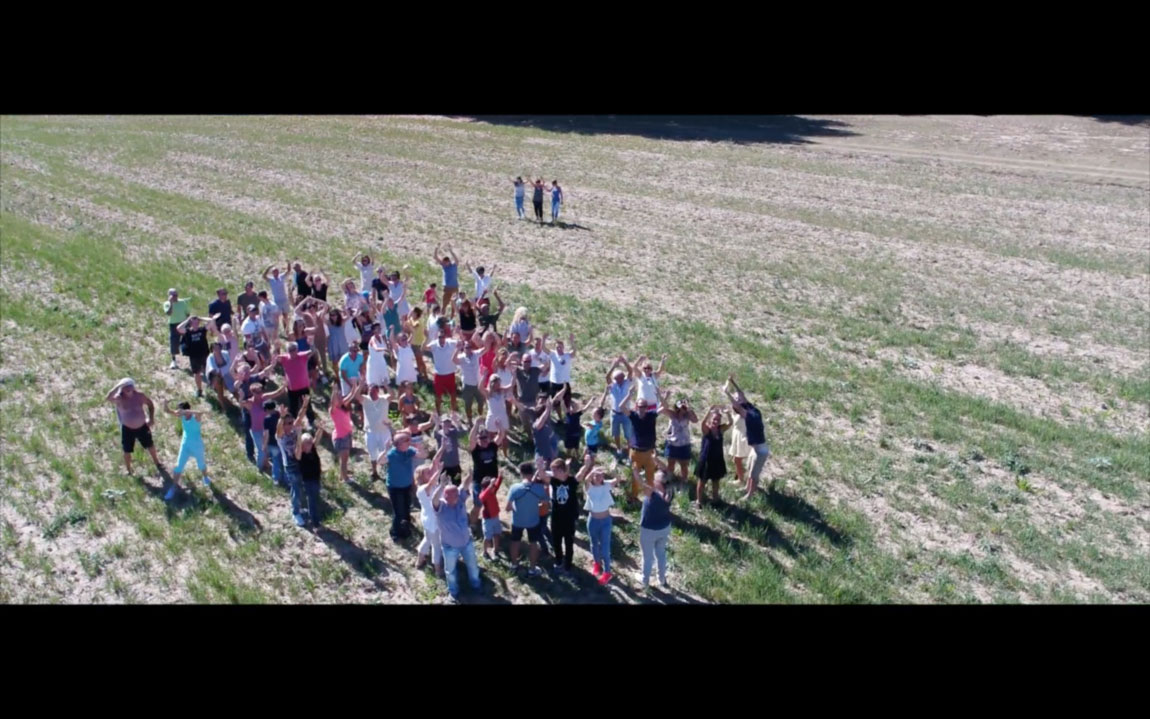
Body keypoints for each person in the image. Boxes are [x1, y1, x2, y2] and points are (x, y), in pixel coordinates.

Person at [433, 472, 481, 602]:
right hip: (449, 547)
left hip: (466, 543)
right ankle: (453, 593)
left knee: (473, 566)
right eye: (451, 494)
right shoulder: (441, 506)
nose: (455, 496)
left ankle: (476, 586)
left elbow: (464, 485)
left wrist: (471, 474)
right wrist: (441, 485)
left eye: (456, 493)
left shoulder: (460, 498)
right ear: (445, 495)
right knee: (451, 572)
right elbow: (434, 500)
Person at [724, 375, 770, 501]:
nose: (740, 398)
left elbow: (739, 401)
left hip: (760, 452)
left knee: (753, 475)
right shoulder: (752, 412)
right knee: (750, 472)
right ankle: (747, 489)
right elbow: (740, 401)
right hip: (756, 450)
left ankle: (749, 495)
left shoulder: (749, 413)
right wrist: (731, 386)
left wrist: (729, 390)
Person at [106, 378, 162, 477]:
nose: (128, 389)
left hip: (142, 426)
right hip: (127, 429)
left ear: (133, 386)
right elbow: (108, 398)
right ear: (122, 389)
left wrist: (151, 418)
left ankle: (157, 463)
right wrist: (118, 386)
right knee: (127, 451)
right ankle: (129, 470)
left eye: (129, 386)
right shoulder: (119, 399)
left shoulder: (140, 396)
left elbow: (150, 404)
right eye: (125, 387)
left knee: (150, 445)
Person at [579, 459, 620, 585]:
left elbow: (617, 479)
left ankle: (607, 572)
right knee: (594, 544)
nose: (598, 477)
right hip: (593, 521)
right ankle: (597, 564)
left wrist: (613, 471)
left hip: (606, 521)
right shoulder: (589, 487)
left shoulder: (606, 485)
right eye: (596, 475)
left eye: (601, 475)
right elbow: (585, 480)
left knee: (605, 547)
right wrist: (592, 471)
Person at [505, 461, 550, 577]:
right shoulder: (539, 488)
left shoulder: (514, 488)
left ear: (521, 473)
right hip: (533, 521)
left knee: (515, 542)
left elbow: (508, 508)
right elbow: (545, 502)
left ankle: (514, 565)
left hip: (517, 521)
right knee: (533, 544)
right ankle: (532, 569)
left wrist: (516, 507)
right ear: (532, 473)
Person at [636, 458, 674, 590]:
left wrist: (635, 469)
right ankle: (662, 579)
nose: (652, 479)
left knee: (647, 556)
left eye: (655, 479)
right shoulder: (669, 490)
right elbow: (666, 471)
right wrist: (655, 460)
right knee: (661, 553)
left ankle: (645, 581)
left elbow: (640, 482)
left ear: (659, 483)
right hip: (664, 528)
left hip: (649, 530)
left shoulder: (652, 494)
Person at [161, 399, 210, 498]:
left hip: (197, 445)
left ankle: (205, 477)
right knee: (178, 466)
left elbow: (200, 412)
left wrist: (187, 412)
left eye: (180, 410)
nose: (178, 412)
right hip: (185, 445)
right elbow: (167, 411)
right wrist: (165, 404)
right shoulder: (182, 416)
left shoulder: (195, 417)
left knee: (201, 464)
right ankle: (174, 487)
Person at [385, 431, 428, 540]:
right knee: (398, 511)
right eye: (407, 440)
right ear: (399, 443)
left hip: (407, 485)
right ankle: (395, 532)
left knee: (407, 507)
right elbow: (381, 461)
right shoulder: (392, 453)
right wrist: (386, 449)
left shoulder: (409, 451)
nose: (410, 441)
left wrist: (420, 447)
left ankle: (406, 525)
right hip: (395, 487)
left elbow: (423, 455)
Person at [239, 380, 288, 475]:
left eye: (261, 391)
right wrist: (241, 396)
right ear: (252, 392)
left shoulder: (264, 398)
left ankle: (266, 464)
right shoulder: (250, 403)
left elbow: (277, 393)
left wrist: (284, 385)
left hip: (266, 429)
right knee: (261, 450)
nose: (260, 393)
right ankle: (259, 469)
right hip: (256, 430)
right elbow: (241, 403)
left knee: (266, 450)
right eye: (257, 392)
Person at [277, 399, 312, 526]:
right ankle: (295, 513)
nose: (291, 425)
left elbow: (300, 416)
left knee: (298, 489)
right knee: (296, 490)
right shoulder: (281, 436)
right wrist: (281, 417)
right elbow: (279, 429)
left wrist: (304, 404)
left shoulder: (292, 431)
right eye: (288, 423)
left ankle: (297, 508)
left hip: (298, 464)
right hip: (290, 467)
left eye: (291, 423)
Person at [415, 444, 447, 574]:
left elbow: (435, 461)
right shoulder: (423, 489)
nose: (431, 472)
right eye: (428, 472)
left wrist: (442, 448)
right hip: (432, 521)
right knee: (436, 545)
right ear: (422, 477)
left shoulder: (428, 485)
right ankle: (438, 570)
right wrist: (439, 471)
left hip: (428, 519)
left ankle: (419, 560)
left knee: (427, 540)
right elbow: (432, 482)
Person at [548, 457, 581, 575]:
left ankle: (568, 565)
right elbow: (542, 475)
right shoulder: (553, 480)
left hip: (569, 518)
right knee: (556, 541)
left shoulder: (572, 481)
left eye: (554, 470)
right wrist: (540, 466)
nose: (552, 473)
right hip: (556, 517)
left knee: (568, 543)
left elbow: (581, 474)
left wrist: (587, 465)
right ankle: (558, 562)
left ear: (561, 470)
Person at [359, 383, 395, 482]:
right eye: (369, 390)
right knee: (372, 453)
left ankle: (389, 472)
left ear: (377, 391)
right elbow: (356, 395)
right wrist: (361, 384)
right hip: (371, 432)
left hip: (384, 432)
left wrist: (386, 385)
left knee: (386, 453)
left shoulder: (384, 399)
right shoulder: (365, 400)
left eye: (373, 391)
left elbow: (393, 395)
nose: (371, 392)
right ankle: (374, 472)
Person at [331, 379, 365, 483]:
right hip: (341, 437)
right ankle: (345, 478)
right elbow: (333, 402)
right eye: (339, 397)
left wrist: (357, 385)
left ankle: (342, 476)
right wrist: (334, 391)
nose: (341, 398)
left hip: (347, 435)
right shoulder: (333, 410)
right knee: (344, 459)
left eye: (340, 396)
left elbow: (352, 394)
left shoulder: (343, 406)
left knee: (344, 458)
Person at [694, 405, 729, 506]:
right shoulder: (707, 430)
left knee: (716, 482)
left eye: (718, 419)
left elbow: (730, 423)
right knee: (702, 482)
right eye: (714, 419)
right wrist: (709, 411)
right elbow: (702, 423)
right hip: (706, 460)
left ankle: (715, 499)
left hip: (717, 460)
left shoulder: (720, 430)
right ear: (710, 419)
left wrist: (727, 413)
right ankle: (699, 501)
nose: (716, 421)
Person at [627, 397, 660, 503]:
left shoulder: (651, 416)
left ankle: (650, 497)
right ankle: (634, 497)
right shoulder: (634, 416)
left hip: (649, 452)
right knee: (635, 477)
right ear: (637, 406)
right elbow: (621, 407)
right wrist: (629, 395)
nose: (642, 408)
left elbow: (665, 407)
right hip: (636, 452)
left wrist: (661, 395)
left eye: (644, 406)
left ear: (647, 407)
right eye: (640, 406)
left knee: (650, 476)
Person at [277, 342, 316, 425]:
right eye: (290, 350)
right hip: (292, 389)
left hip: (304, 387)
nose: (292, 352)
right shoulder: (285, 359)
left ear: (297, 350)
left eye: (293, 350)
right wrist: (277, 348)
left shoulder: (302, 356)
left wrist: (311, 342)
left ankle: (311, 421)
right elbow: (274, 358)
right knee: (293, 407)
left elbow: (313, 350)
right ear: (287, 351)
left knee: (307, 405)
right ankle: (292, 423)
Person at [469, 421, 500, 524]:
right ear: (478, 439)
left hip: (491, 482)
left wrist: (499, 425)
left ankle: (490, 521)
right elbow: (471, 439)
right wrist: (476, 424)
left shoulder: (493, 446)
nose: (484, 440)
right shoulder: (475, 449)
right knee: (478, 505)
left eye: (485, 437)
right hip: (479, 482)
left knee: (490, 503)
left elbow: (501, 435)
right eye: (481, 438)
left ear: (489, 438)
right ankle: (473, 524)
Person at [297, 423, 327, 528]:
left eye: (310, 442)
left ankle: (314, 520)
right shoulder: (301, 454)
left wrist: (320, 429)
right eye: (308, 442)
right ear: (302, 444)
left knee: (314, 500)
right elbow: (299, 447)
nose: (310, 443)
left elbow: (316, 439)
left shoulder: (312, 449)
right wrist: (299, 432)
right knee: (312, 501)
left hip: (316, 479)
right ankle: (315, 523)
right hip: (308, 481)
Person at [176, 314, 212, 398]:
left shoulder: (202, 330)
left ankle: (211, 386)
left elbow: (211, 321)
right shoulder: (188, 332)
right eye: (193, 322)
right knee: (197, 373)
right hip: (194, 356)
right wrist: (188, 319)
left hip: (204, 354)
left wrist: (200, 317)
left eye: (197, 322)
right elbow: (178, 328)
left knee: (208, 371)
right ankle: (199, 390)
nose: (195, 324)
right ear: (191, 323)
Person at [605, 355, 636, 452]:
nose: (618, 380)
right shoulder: (612, 386)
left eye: (620, 378)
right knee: (616, 433)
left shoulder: (627, 383)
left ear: (623, 377)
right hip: (614, 413)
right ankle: (619, 449)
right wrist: (614, 365)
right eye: (616, 378)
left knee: (628, 434)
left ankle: (630, 450)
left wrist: (625, 362)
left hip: (625, 414)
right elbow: (607, 377)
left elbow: (631, 371)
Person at [543, 333, 577, 419]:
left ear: (563, 347)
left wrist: (572, 341)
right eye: (557, 347)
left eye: (560, 347)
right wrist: (543, 339)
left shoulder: (567, 356)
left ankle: (568, 417)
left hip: (565, 384)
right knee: (556, 403)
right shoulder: (553, 354)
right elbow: (544, 349)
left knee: (567, 402)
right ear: (555, 348)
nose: (559, 348)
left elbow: (574, 352)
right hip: (554, 383)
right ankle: (560, 418)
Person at [427, 327, 459, 416]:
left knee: (453, 395)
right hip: (439, 374)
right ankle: (438, 413)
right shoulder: (434, 344)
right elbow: (423, 348)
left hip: (450, 374)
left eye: (442, 337)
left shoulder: (451, 343)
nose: (441, 339)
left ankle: (453, 413)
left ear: (445, 337)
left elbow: (460, 343)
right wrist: (426, 338)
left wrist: (458, 333)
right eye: (439, 337)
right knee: (438, 396)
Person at [454, 339, 483, 424]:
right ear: (464, 348)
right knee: (468, 404)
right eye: (466, 347)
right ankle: (469, 420)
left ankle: (480, 417)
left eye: (470, 347)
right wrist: (457, 349)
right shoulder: (461, 357)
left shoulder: (476, 354)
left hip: (478, 384)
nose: (468, 349)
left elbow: (485, 349)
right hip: (467, 385)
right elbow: (453, 360)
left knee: (481, 402)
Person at [478, 471, 504, 559]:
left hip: (496, 517)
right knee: (487, 537)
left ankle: (495, 550)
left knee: (497, 534)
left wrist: (500, 476)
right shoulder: (484, 495)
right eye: (492, 487)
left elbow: (498, 484)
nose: (494, 488)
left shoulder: (492, 491)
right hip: (488, 519)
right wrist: (491, 485)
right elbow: (482, 497)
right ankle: (484, 552)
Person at [163, 288, 191, 370]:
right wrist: (171, 303)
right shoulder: (167, 304)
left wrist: (189, 323)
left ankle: (190, 359)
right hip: (173, 324)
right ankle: (173, 361)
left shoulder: (183, 302)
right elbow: (169, 313)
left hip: (184, 323)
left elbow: (187, 313)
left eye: (176, 295)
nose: (176, 296)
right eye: (173, 295)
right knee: (174, 342)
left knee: (188, 341)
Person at [433, 413, 464, 484]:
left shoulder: (454, 432)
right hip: (443, 466)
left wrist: (457, 422)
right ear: (441, 423)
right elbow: (435, 433)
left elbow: (463, 434)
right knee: (442, 484)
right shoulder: (439, 434)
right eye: (445, 422)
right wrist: (437, 424)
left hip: (455, 465)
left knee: (457, 482)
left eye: (448, 422)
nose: (447, 424)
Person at [263, 263, 292, 334]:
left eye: (276, 271)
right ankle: (277, 330)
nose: (276, 272)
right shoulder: (271, 280)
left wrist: (288, 263)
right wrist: (268, 267)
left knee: (285, 315)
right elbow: (263, 276)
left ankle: (286, 330)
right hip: (277, 301)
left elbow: (288, 271)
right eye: (274, 271)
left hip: (284, 299)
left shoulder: (281, 277)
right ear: (272, 273)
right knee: (276, 317)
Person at [205, 341, 235, 408]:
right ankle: (223, 407)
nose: (217, 350)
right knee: (219, 389)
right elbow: (212, 369)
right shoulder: (210, 357)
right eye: (215, 348)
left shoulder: (225, 353)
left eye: (218, 348)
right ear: (212, 349)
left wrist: (222, 371)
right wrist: (220, 373)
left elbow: (230, 364)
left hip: (226, 374)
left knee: (233, 388)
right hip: (215, 376)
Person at [433, 243, 461, 312]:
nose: (445, 263)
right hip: (447, 288)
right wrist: (436, 248)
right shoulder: (444, 267)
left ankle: (453, 316)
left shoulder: (454, 266)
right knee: (444, 304)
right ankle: (442, 315)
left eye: (446, 262)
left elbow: (457, 260)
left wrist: (451, 251)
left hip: (455, 287)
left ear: (449, 261)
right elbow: (435, 257)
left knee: (455, 303)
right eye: (444, 262)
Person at [365, 323, 391, 390]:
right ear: (373, 330)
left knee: (384, 381)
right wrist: (385, 349)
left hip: (381, 361)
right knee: (374, 384)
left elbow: (386, 345)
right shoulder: (372, 339)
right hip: (373, 363)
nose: (379, 329)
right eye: (377, 328)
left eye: (380, 328)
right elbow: (376, 348)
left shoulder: (381, 337)